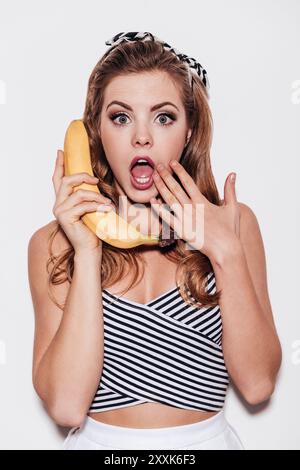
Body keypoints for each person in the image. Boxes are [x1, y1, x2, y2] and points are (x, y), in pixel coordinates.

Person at [28, 31, 282, 450]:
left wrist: (225, 253)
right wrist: (88, 251)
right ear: (97, 132)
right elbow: (67, 407)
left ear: (188, 131)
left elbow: (257, 386)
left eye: (163, 117)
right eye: (121, 117)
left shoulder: (233, 225)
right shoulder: (54, 243)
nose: (141, 137)